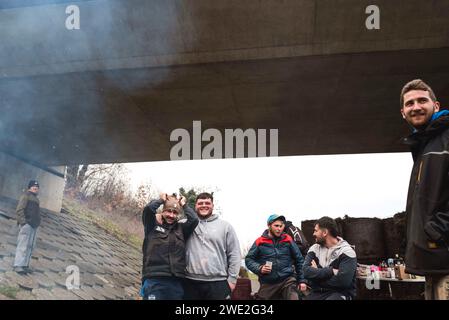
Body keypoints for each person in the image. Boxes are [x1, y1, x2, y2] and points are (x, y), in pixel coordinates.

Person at [400, 79, 449, 300]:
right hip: (433, 260)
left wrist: (438, 230)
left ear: (436, 105)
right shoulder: (425, 145)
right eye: (410, 103)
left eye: (422, 100)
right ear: (403, 112)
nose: (416, 106)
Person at [183, 192, 241, 300]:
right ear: (195, 206)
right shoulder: (184, 224)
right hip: (189, 282)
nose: (204, 205)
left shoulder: (225, 226)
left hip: (218, 283)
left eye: (207, 203)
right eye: (200, 203)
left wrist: (232, 281)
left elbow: (235, 254)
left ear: (213, 206)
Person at [140, 193, 198, 300]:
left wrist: (184, 205)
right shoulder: (152, 225)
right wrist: (161, 200)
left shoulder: (181, 229)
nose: (171, 215)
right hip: (154, 279)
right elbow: (148, 210)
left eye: (175, 212)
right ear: (163, 211)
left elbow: (194, 220)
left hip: (176, 282)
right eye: (168, 211)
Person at [245, 214, 306, 300]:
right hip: (268, 283)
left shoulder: (288, 239)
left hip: (287, 280)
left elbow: (299, 260)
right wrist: (259, 268)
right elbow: (249, 260)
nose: (279, 228)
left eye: (281, 226)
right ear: (269, 225)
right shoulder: (260, 241)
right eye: (276, 226)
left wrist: (302, 280)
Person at [303, 216, 357, 300]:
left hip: (340, 293)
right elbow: (306, 271)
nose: (313, 234)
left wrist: (316, 274)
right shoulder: (314, 249)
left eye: (316, 231)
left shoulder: (346, 251)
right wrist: (331, 271)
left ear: (324, 232)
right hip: (319, 293)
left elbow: (343, 282)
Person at [13, 180, 41, 274]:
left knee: (30, 246)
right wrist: (23, 223)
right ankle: (18, 265)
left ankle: (25, 265)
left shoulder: (36, 200)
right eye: (34, 186)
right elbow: (19, 210)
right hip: (27, 225)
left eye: (37, 187)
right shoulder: (26, 196)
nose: (36, 188)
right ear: (29, 187)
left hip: (34, 226)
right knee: (23, 245)